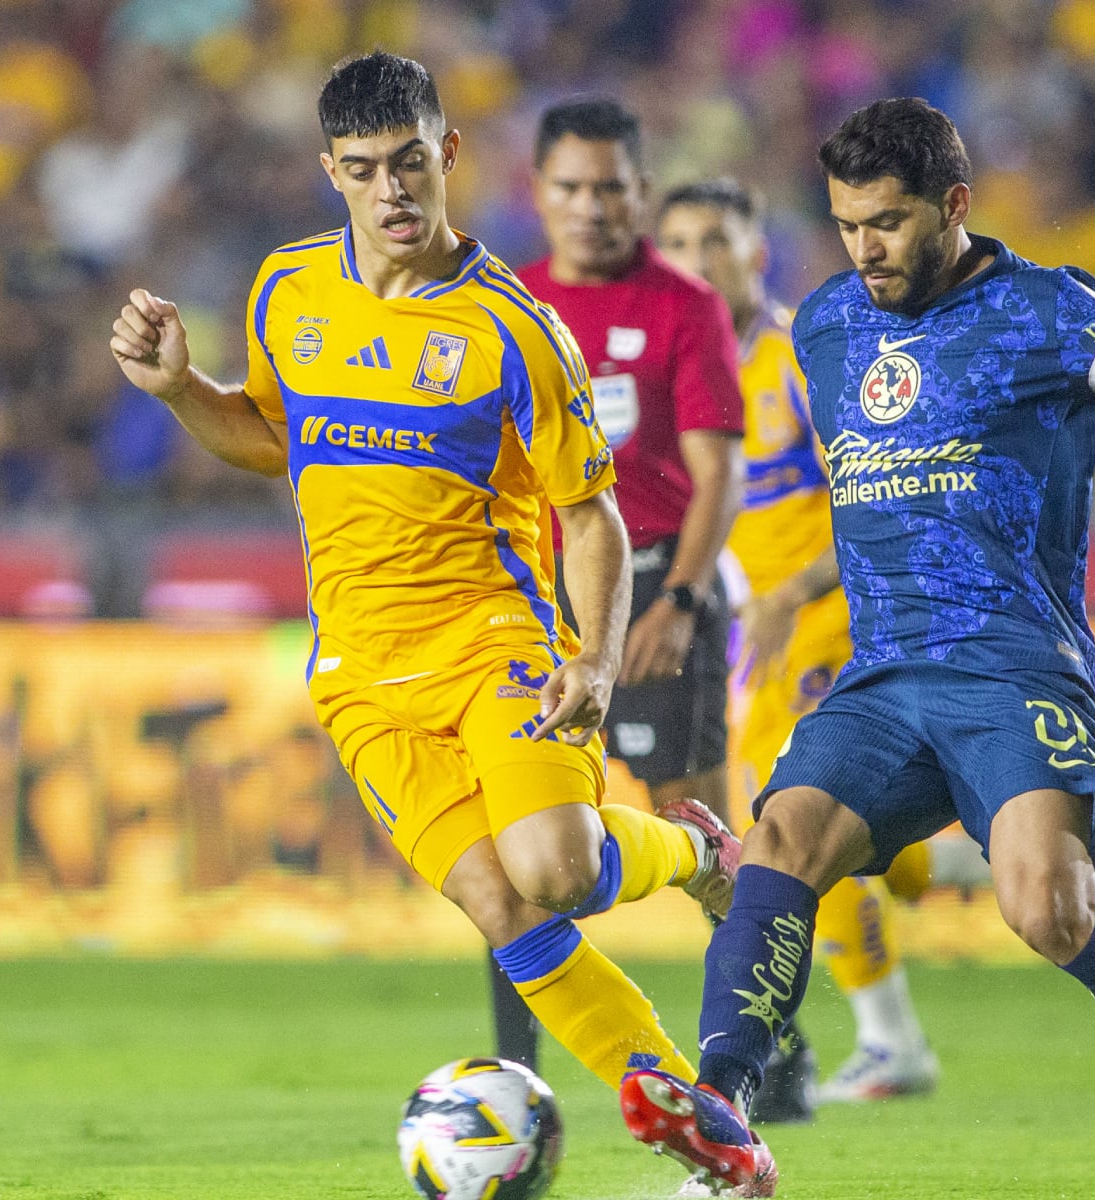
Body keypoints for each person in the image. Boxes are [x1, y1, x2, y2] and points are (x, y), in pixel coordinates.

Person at [620, 97, 1095, 1200]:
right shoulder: (826, 327)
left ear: (954, 205)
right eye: (846, 225)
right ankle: (724, 1111)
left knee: (1048, 911)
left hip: (1012, 667)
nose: (865, 249)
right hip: (882, 676)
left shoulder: (1050, 311)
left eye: (887, 222)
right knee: (779, 841)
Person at [108, 50, 740, 1098]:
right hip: (360, 674)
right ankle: (703, 1122)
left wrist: (593, 658)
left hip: (492, 644)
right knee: (503, 906)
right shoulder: (286, 290)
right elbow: (279, 439)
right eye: (362, 169)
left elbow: (590, 515)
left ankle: (697, 854)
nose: (390, 191)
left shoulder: (514, 329)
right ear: (331, 172)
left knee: (556, 870)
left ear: (447, 152)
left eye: (408, 162)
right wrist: (182, 391)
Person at [656, 179, 992, 1109]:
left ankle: (892, 1044)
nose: (696, 261)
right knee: (853, 839)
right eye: (676, 244)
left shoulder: (801, 362)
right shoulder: (684, 371)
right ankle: (1006, 851)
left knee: (796, 821)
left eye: (715, 240)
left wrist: (791, 593)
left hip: (835, 618)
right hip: (759, 634)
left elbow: (882, 488)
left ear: (756, 254)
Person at [482, 97, 749, 1077]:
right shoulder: (505, 303)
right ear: (538, 192)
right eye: (570, 187)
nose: (590, 206)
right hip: (532, 598)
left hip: (656, 586)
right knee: (514, 836)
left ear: (641, 191)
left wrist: (679, 598)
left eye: (609, 187)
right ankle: (518, 1074)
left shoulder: (684, 304)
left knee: (697, 825)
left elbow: (717, 472)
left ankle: (759, 1055)